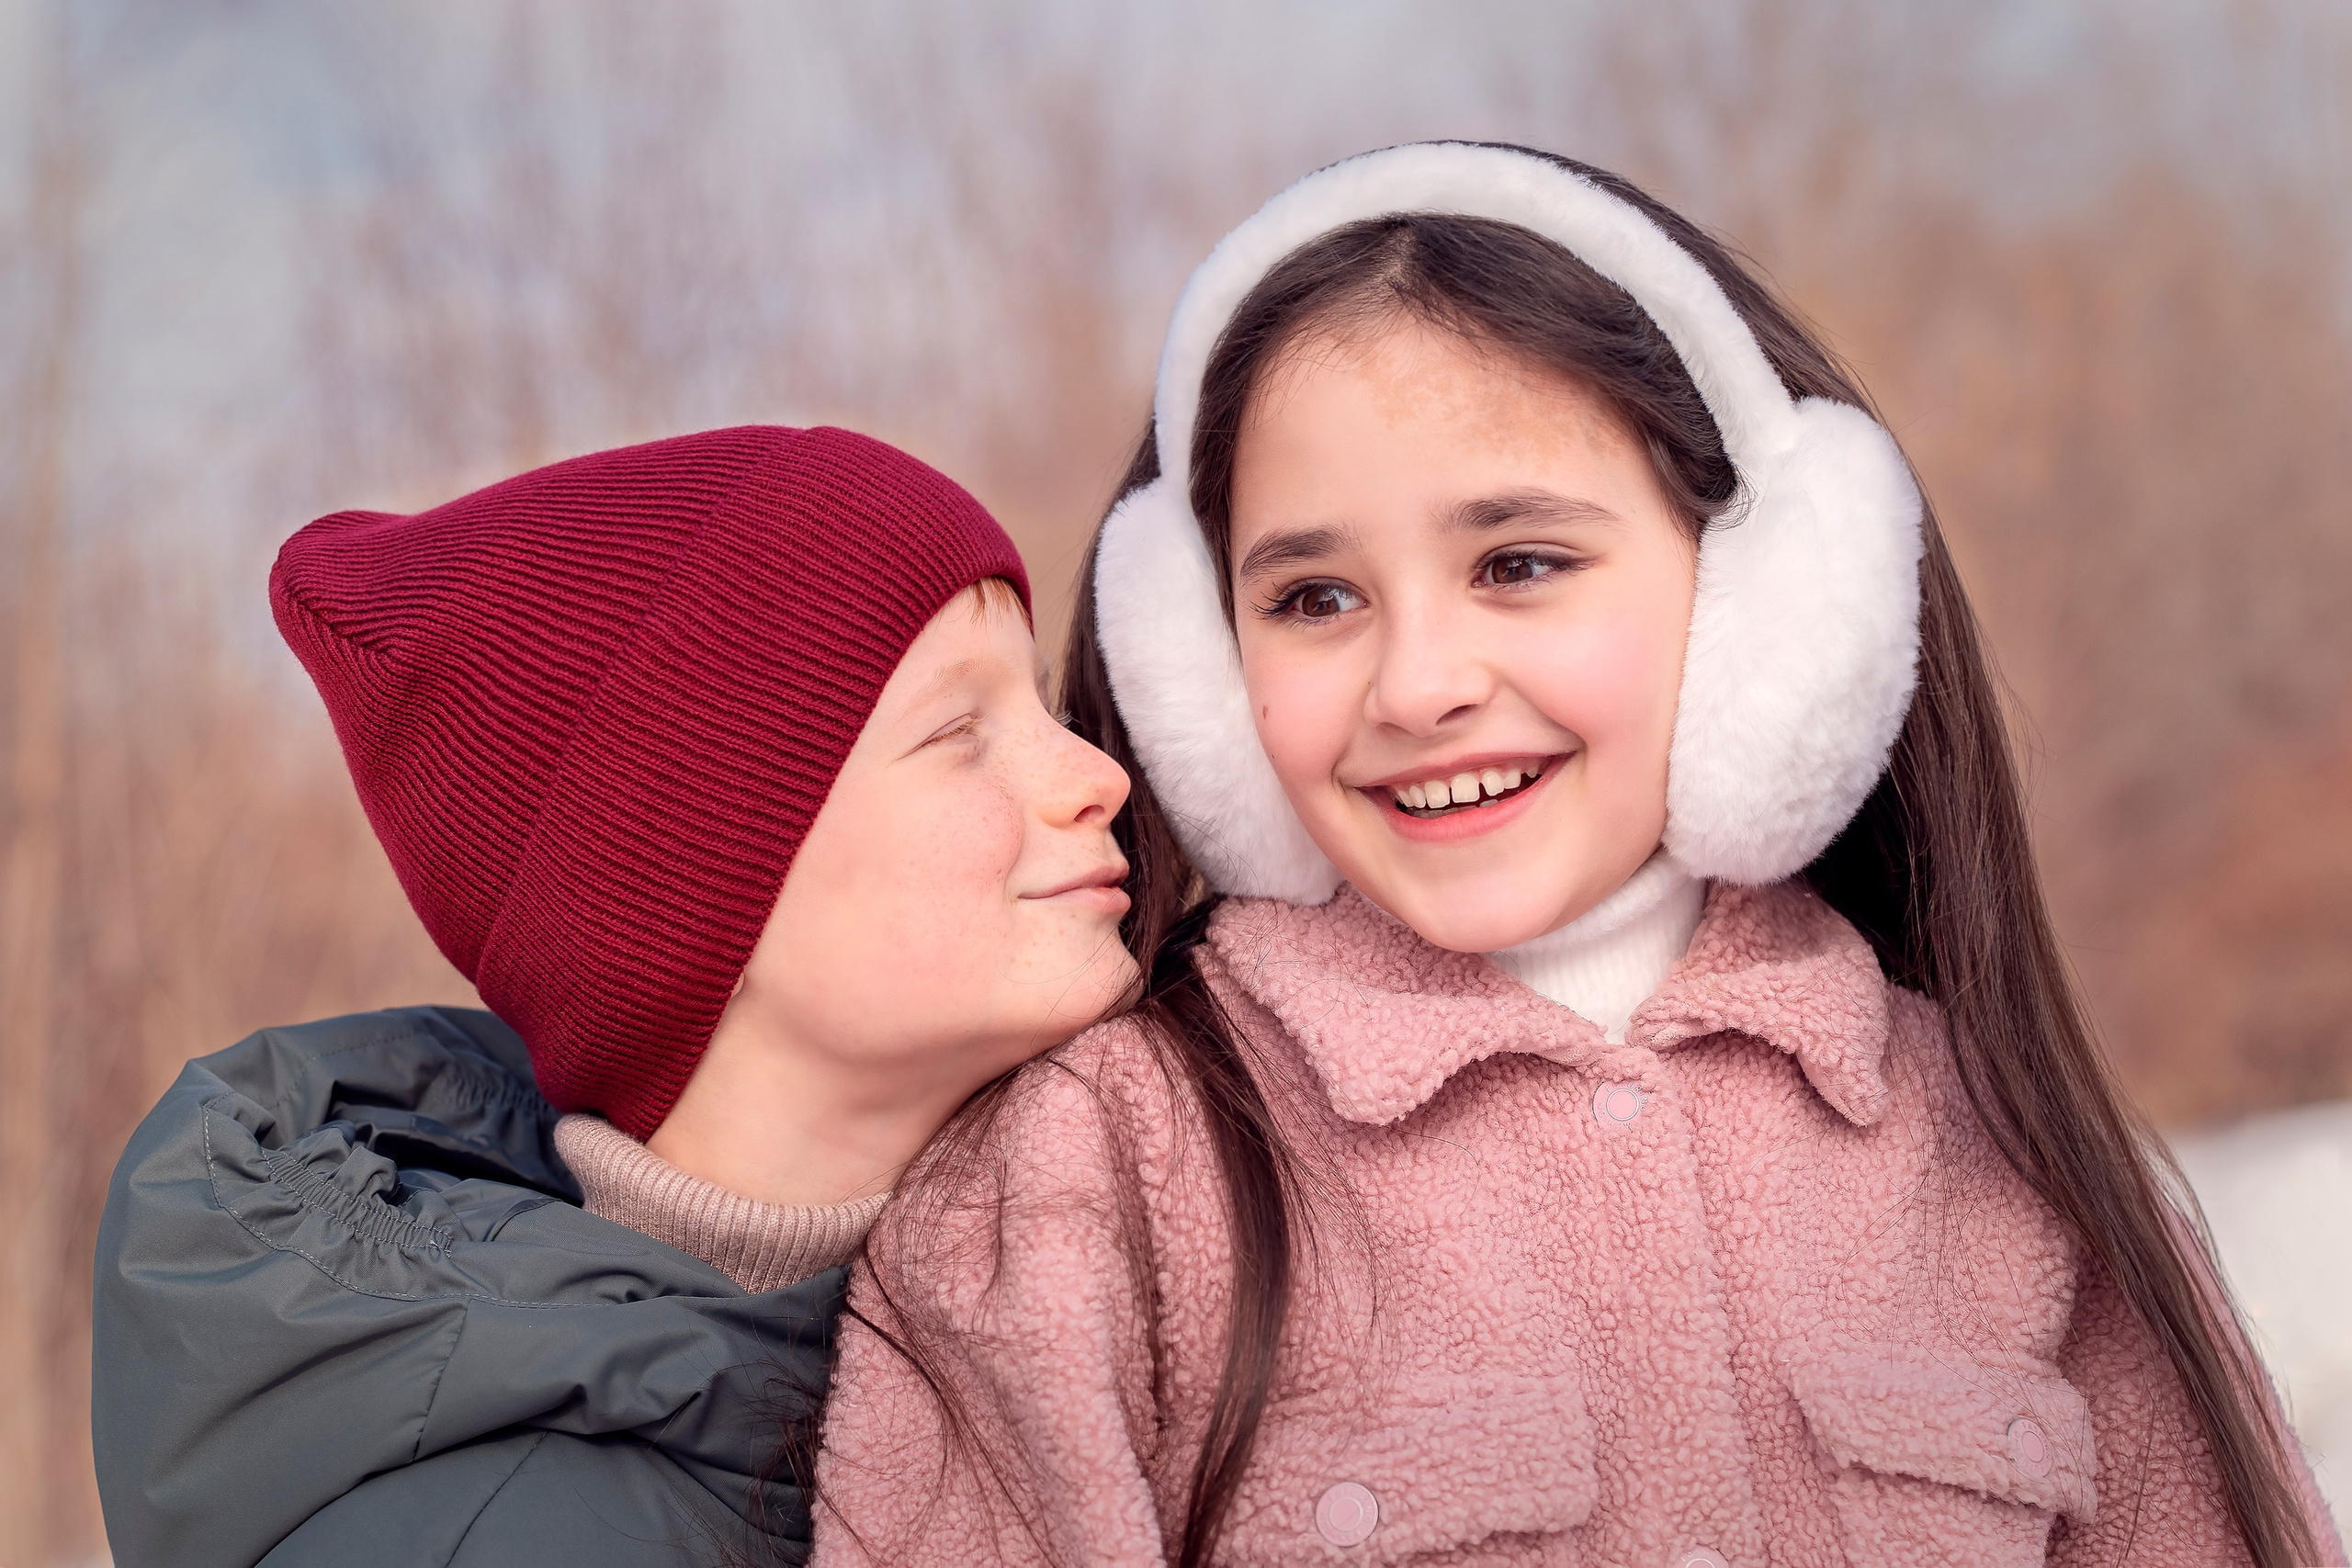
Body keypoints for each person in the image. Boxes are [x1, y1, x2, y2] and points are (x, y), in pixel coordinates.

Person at [810, 145, 2345, 1567]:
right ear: (1200, 676)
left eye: (1520, 563)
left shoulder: (2004, 1153)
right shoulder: (1099, 1173)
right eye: (1313, 599)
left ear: (1773, 604)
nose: (1417, 683)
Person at [90, 424, 1138, 1568]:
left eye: (1038, 706)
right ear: (694, 892)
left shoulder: (1103, 1318)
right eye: (959, 734)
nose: (1096, 776)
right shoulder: (492, 1543)